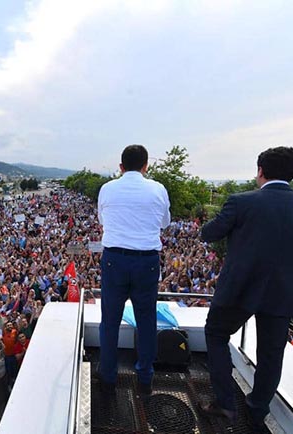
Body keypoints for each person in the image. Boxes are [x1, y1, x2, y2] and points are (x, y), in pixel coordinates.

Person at [199, 147, 293, 432]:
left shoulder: (241, 202)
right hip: (282, 294)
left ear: (260, 170)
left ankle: (224, 403)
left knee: (216, 334)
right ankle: (257, 409)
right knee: (272, 355)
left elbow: (210, 233)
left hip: (238, 289)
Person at [97, 144, 171, 395]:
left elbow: (103, 220)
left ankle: (108, 379)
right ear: (146, 166)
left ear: (120, 166)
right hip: (146, 261)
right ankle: (145, 379)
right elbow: (165, 222)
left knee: (110, 322)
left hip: (114, 260)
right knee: (146, 319)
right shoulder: (158, 189)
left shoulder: (107, 189)